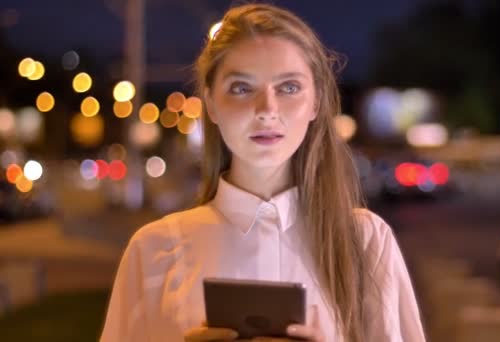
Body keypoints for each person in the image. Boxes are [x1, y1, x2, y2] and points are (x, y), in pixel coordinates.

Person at [100, 3, 426, 342]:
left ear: (316, 101)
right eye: (242, 88)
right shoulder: (155, 251)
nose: (267, 110)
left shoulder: (367, 242)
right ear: (210, 103)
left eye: (288, 87)